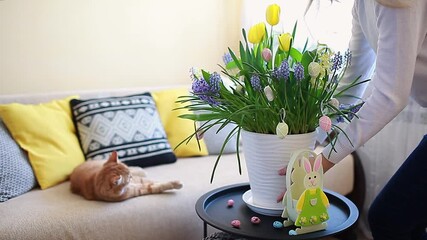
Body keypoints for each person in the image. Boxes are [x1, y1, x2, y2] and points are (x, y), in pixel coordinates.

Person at [316, 0, 427, 239]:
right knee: (404, 220)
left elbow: (390, 98)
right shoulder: (362, 5)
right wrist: (312, 135)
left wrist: (321, 162)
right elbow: (353, 78)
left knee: (389, 218)